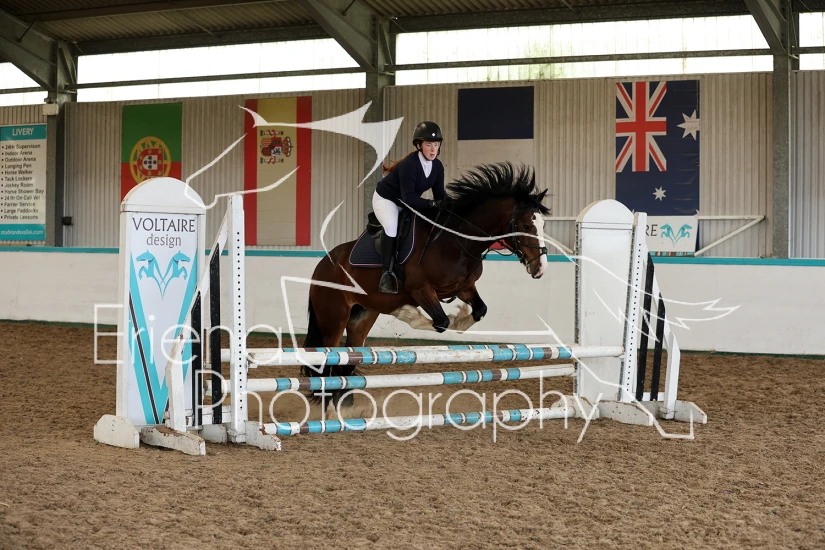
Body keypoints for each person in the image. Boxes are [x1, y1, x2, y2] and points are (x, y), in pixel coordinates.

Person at [372, 121, 446, 294]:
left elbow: (439, 195)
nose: (433, 149)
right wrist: (431, 204)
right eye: (429, 145)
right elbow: (409, 198)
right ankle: (386, 274)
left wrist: (452, 204)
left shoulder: (437, 166)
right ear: (419, 145)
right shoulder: (410, 165)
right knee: (391, 227)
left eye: (436, 144)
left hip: (407, 202)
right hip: (386, 200)